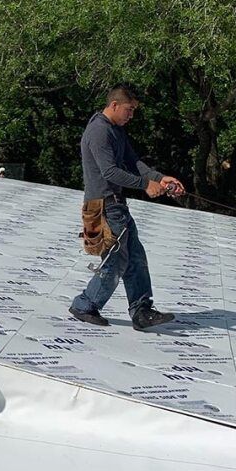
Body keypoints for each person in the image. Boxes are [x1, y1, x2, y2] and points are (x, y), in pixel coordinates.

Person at [69, 85, 185, 330]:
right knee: (115, 262)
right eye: (129, 110)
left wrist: (160, 178)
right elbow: (109, 172)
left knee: (135, 258)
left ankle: (142, 312)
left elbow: (133, 162)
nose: (131, 115)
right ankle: (85, 304)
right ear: (114, 105)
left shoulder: (115, 130)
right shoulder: (100, 131)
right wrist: (145, 185)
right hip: (102, 207)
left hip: (115, 207)